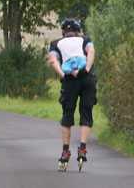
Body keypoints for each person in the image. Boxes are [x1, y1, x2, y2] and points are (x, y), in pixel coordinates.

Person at [49, 18, 96, 171]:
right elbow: (91, 51)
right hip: (87, 77)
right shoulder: (85, 39)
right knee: (86, 112)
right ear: (77, 32)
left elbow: (52, 60)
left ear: (63, 33)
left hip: (69, 80)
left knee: (68, 113)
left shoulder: (56, 43)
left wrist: (64, 74)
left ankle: (65, 152)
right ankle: (82, 149)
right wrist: (86, 69)